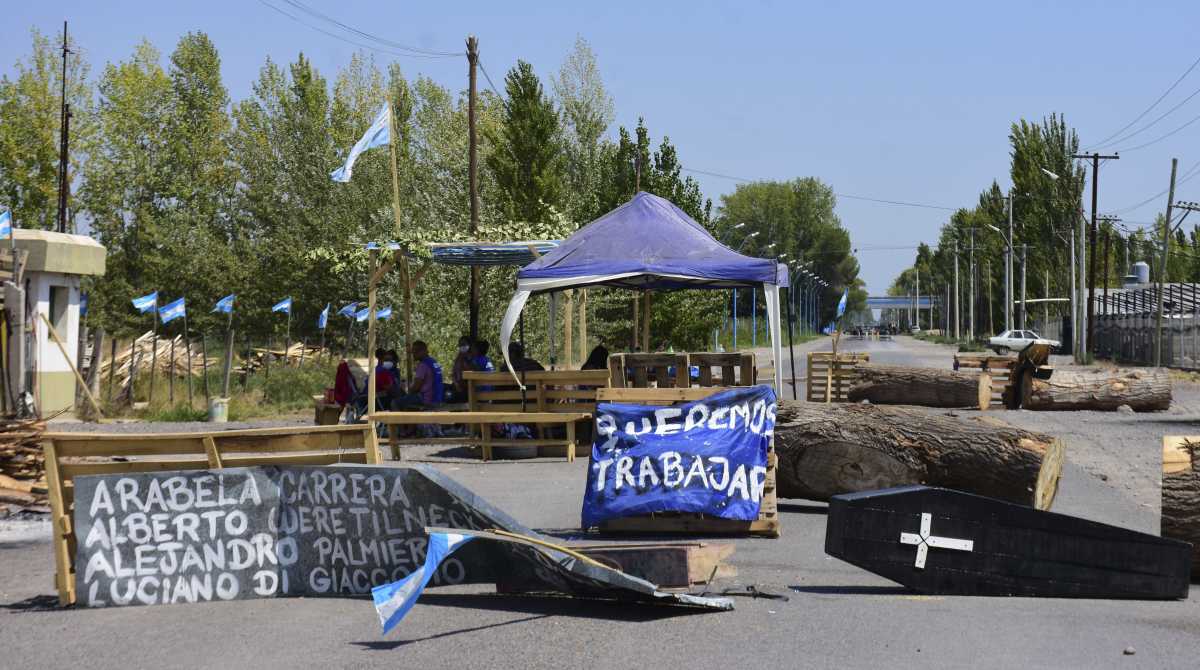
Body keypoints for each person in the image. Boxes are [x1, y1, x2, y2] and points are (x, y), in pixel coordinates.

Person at [448, 335, 473, 402]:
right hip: (457, 386)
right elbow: (453, 373)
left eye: (464, 344)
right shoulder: (458, 358)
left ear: (469, 345)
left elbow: (471, 372)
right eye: (460, 344)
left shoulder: (472, 358)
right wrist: (456, 384)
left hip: (467, 388)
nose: (462, 346)